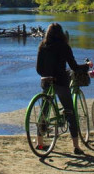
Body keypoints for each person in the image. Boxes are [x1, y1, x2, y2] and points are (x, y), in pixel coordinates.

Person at [35, 22, 87, 155]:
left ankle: (39, 143)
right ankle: (76, 146)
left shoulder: (42, 46)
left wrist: (46, 75)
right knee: (70, 112)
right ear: (62, 34)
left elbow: (38, 69)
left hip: (46, 81)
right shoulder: (64, 46)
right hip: (61, 81)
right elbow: (74, 67)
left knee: (44, 112)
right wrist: (87, 66)